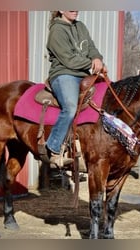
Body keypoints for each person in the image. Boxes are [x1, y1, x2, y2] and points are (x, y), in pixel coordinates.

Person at [46, 11, 106, 167]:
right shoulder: (56, 30)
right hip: (64, 73)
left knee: (106, 99)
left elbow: (91, 47)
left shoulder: (81, 26)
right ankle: (53, 147)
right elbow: (68, 60)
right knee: (71, 107)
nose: (74, 9)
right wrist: (91, 64)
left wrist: (97, 58)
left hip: (84, 73)